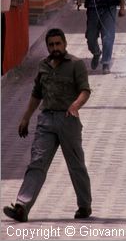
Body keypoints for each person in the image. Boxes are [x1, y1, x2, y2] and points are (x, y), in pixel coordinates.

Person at [3, 29, 92, 222]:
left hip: (68, 120)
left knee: (76, 165)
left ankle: (84, 206)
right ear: (47, 46)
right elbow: (36, 94)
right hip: (46, 121)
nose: (55, 48)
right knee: (37, 163)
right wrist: (26, 117)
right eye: (51, 45)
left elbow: (85, 90)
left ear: (65, 44)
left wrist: (75, 105)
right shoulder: (43, 66)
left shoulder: (76, 65)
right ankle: (22, 206)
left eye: (58, 44)